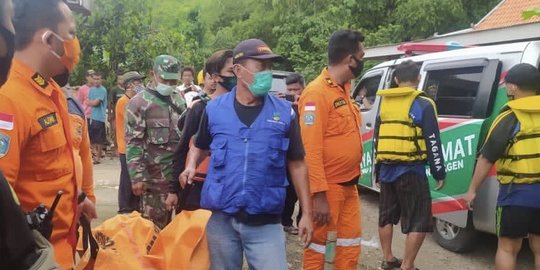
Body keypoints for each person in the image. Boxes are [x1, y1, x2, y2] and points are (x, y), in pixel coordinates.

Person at [181, 39, 313, 270]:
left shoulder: (284, 113)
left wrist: (307, 213)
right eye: (261, 68)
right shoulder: (214, 109)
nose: (267, 74)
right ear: (238, 71)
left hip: (266, 220)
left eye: (269, 68)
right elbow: (200, 145)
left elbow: (297, 164)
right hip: (221, 219)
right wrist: (191, 165)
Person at [0, 0, 82, 267]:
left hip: (62, 252)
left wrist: (78, 199)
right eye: (70, 33)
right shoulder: (9, 99)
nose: (75, 42)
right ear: (49, 39)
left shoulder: (52, 91)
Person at [299, 29, 364, 269]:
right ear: (350, 59)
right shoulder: (316, 93)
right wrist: (319, 196)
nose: (363, 60)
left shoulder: (344, 90)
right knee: (318, 247)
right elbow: (310, 149)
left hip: (350, 185)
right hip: (328, 189)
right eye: (362, 56)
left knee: (349, 245)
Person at [465, 63, 540, 270]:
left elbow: (487, 158)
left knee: (508, 248)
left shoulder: (509, 116)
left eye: (508, 85)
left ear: (513, 87)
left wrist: (471, 190)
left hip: (516, 194)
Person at [374, 60, 446, 270]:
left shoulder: (385, 102)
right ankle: (407, 265)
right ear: (418, 79)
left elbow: (378, 140)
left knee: (386, 216)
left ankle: (388, 259)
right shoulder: (424, 103)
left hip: (386, 168)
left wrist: (377, 170)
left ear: (396, 80)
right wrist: (438, 171)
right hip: (411, 170)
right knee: (419, 219)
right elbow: (432, 140)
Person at [169, 49, 235, 210]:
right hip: (197, 187)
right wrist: (173, 189)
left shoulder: (243, 109)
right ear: (214, 76)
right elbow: (183, 148)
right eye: (231, 71)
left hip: (230, 188)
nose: (237, 76)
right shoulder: (200, 108)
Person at [126, 55, 186, 229]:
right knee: (153, 232)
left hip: (179, 179)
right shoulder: (138, 103)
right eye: (164, 79)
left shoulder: (179, 98)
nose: (168, 84)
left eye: (173, 80)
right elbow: (133, 143)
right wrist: (137, 177)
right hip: (154, 183)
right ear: (153, 74)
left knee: (181, 233)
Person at [116, 71, 144, 214]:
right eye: (138, 82)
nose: (140, 85)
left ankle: (134, 207)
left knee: (134, 177)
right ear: (130, 84)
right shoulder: (123, 102)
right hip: (126, 147)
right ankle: (125, 208)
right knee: (127, 180)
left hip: (133, 146)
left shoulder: (135, 100)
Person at [282, 72, 305, 235]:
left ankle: (303, 221)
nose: (293, 93)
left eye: (296, 89)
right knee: (289, 190)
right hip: (289, 154)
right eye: (289, 90)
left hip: (308, 154)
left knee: (305, 190)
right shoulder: (283, 106)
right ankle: (286, 221)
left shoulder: (310, 103)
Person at [87, 72, 108, 164]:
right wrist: (92, 102)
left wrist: (92, 102)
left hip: (100, 117)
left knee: (99, 139)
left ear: (101, 80)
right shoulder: (91, 90)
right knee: (93, 138)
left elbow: (95, 103)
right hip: (92, 116)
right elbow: (88, 102)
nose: (96, 81)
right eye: (95, 79)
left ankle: (98, 158)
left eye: (98, 79)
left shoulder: (103, 90)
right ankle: (95, 155)